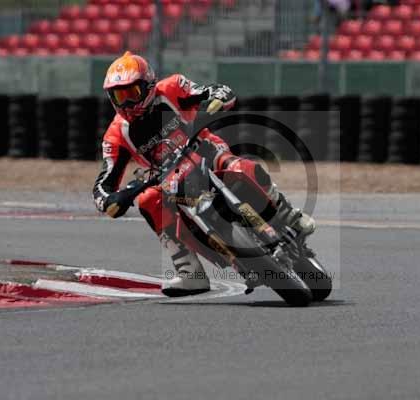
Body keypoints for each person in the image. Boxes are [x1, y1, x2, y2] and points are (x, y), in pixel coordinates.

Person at [93, 51, 315, 297]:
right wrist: (110, 200)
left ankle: (287, 214)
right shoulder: (115, 135)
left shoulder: (172, 87)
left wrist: (219, 97)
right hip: (168, 177)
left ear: (148, 85)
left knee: (240, 167)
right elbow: (103, 185)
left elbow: (214, 90)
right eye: (119, 96)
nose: (126, 103)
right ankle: (190, 271)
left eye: (131, 93)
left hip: (205, 149)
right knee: (147, 200)